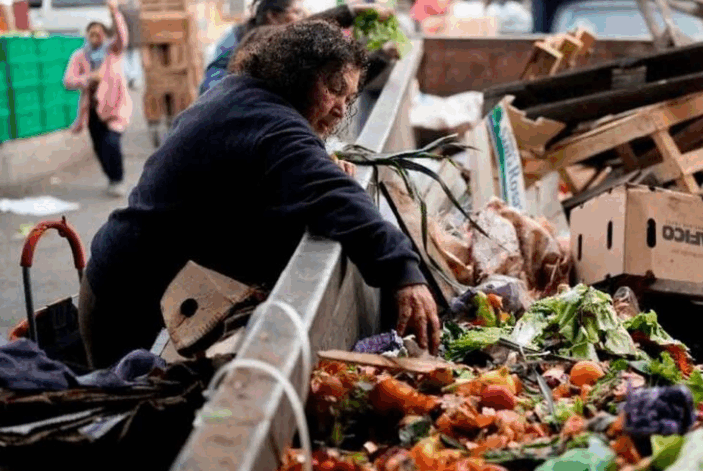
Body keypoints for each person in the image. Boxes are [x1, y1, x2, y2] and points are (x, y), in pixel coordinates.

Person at [79, 20, 441, 368]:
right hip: (124, 301)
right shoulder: (269, 122)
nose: (340, 108)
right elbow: (335, 197)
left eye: (348, 96)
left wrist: (319, 159)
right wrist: (404, 273)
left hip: (131, 281)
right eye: (333, 88)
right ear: (297, 74)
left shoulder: (245, 96)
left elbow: (292, 170)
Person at [63, 0, 131, 197]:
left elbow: (122, 36)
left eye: (99, 33)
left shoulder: (113, 51)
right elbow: (68, 80)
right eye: (91, 33)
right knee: (100, 148)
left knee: (112, 143)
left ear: (104, 35)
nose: (95, 37)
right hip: (93, 111)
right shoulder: (79, 56)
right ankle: (110, 177)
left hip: (116, 108)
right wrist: (88, 79)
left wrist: (114, 13)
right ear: (87, 36)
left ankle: (118, 179)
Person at [200, 0, 304, 95]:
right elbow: (211, 87)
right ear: (272, 15)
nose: (302, 18)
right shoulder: (235, 39)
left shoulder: (287, 42)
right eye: (296, 12)